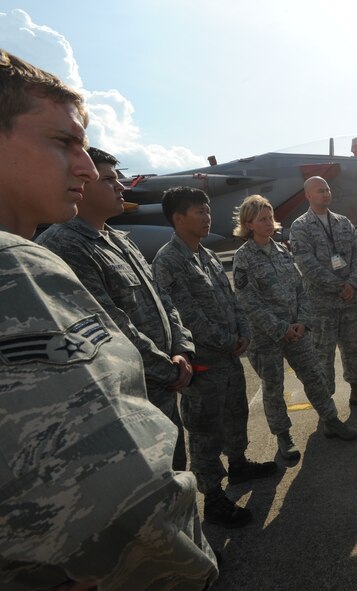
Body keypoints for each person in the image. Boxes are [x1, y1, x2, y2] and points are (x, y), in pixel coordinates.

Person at [0, 48, 217, 590]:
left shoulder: (60, 251)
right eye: (61, 142)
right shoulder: (18, 267)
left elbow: (160, 303)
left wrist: (180, 349)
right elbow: (127, 510)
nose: (86, 166)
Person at [36, 147, 194, 471]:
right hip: (129, 399)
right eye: (110, 180)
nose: (121, 186)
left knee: (176, 475)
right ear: (83, 183)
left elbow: (162, 297)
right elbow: (111, 325)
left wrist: (182, 348)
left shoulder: (122, 240)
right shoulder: (64, 245)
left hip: (163, 384)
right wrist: (169, 369)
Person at [153, 187, 278, 529]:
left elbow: (232, 299)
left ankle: (239, 465)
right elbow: (185, 315)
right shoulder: (169, 261)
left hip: (229, 356)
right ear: (178, 218)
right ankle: (213, 497)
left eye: (208, 211)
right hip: (205, 364)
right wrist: (228, 340)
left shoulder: (204, 255)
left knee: (236, 415)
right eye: (199, 212)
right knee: (206, 433)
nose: (208, 217)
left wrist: (243, 332)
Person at [232, 194, 357, 457]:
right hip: (267, 337)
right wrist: (281, 328)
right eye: (262, 219)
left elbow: (300, 289)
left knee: (314, 375)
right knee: (274, 387)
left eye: (270, 218)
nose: (269, 223)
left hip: (297, 331)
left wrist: (301, 322)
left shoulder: (281, 251)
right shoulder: (244, 258)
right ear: (249, 224)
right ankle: (283, 435)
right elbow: (249, 302)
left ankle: (330, 420)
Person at [290, 176, 357, 410]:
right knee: (323, 355)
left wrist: (352, 283)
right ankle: (326, 404)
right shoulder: (300, 226)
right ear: (308, 195)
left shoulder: (343, 222)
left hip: (350, 302)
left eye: (328, 189)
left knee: (353, 348)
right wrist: (339, 286)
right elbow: (307, 265)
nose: (326, 194)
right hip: (322, 306)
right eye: (320, 191)